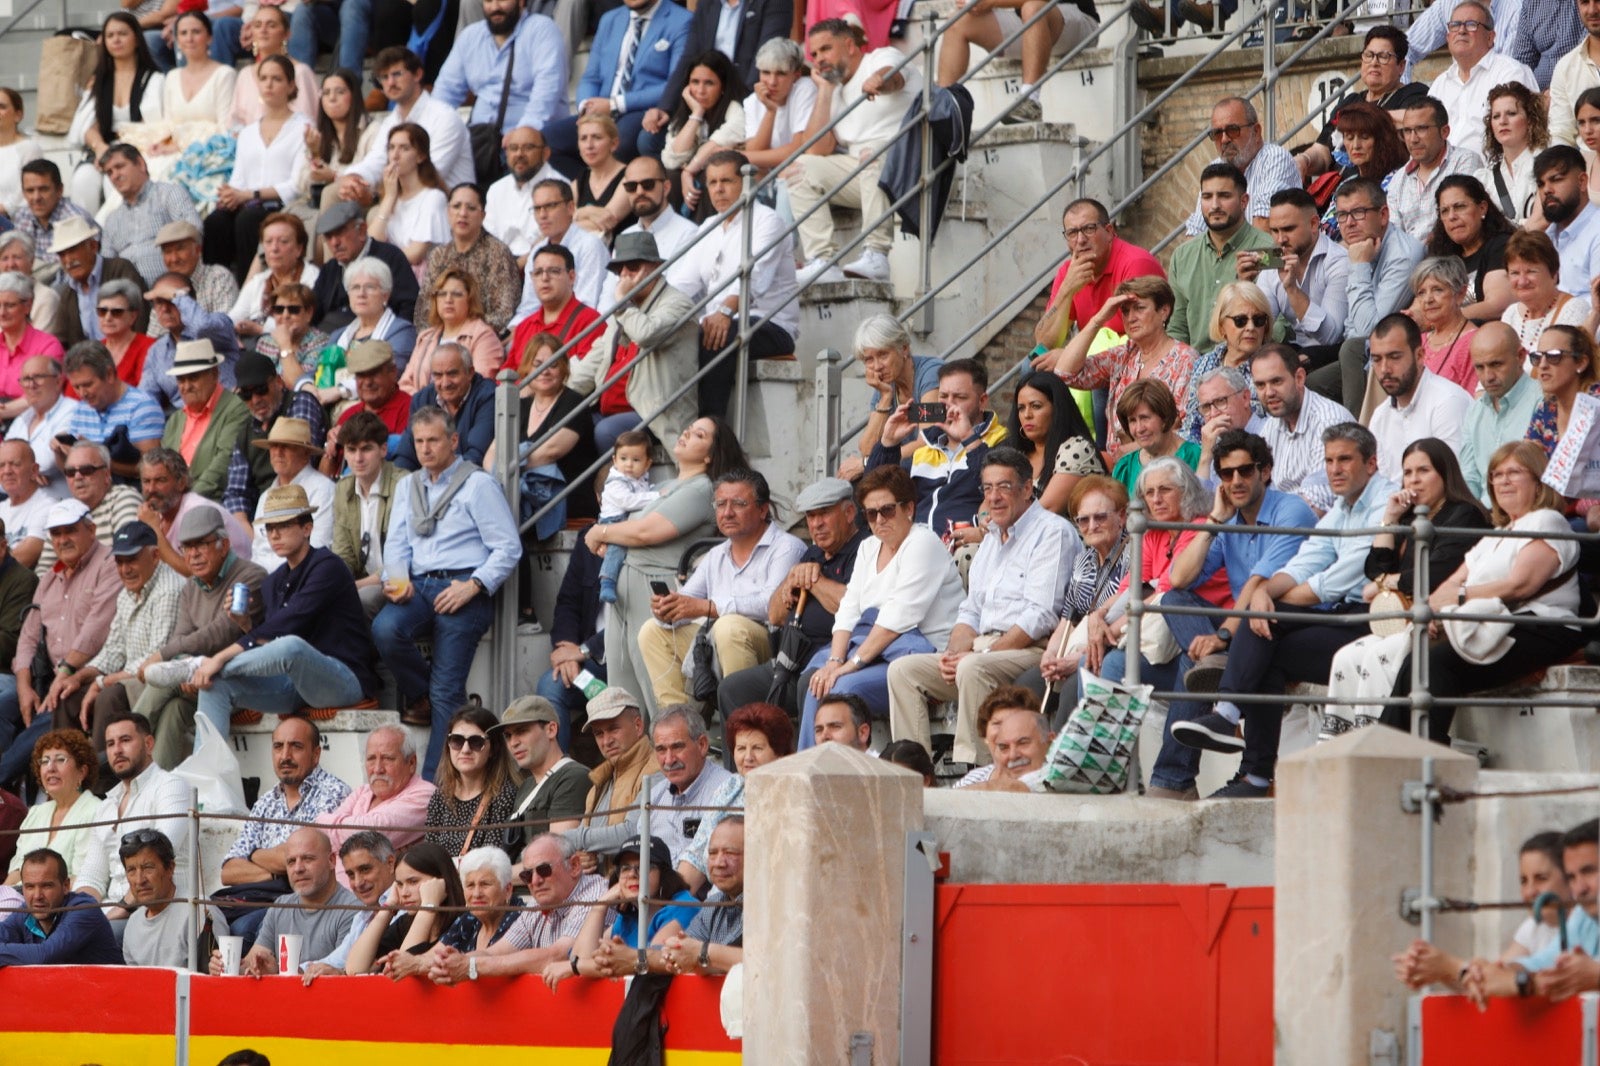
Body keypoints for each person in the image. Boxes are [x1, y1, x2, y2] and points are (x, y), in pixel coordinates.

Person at [1172, 423, 1397, 797]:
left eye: (1345, 459)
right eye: (1328, 461)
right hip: (1322, 618)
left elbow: (1337, 580)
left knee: (1259, 624)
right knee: (1258, 637)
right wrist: (1265, 593)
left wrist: (1264, 598)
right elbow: (1307, 562)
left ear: (1371, 463)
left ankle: (1228, 712)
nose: (1335, 469)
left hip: (1370, 621)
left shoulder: (1379, 501)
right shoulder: (1344, 506)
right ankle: (1254, 775)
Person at [1383, 441, 1588, 742]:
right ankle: (1393, 752)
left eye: (1514, 472)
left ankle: (1417, 758)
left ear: (1537, 479)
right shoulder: (1497, 535)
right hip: (1496, 622)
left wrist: (1462, 597)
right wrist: (1434, 610)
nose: (1503, 481)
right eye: (1496, 474)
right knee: (1418, 662)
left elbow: (1521, 585)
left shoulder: (1548, 520)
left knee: (1433, 665)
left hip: (1542, 625)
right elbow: (1450, 584)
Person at [886, 448, 1077, 766]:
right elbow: (970, 611)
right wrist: (951, 654)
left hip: (1030, 648)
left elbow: (1040, 616)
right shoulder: (991, 540)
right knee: (903, 671)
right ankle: (912, 772)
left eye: (1004, 487)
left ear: (1027, 488)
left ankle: (973, 770)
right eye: (987, 489)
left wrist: (979, 656)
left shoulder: (1052, 532)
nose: (994, 498)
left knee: (972, 668)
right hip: (982, 649)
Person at [152, 482, 379, 736]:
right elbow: (270, 642)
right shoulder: (274, 581)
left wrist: (219, 658)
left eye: (283, 526)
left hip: (342, 678)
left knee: (292, 646)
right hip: (294, 684)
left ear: (307, 528)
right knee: (215, 685)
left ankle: (202, 665)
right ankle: (209, 772)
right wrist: (246, 625)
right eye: (270, 528)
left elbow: (289, 624)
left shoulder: (328, 566)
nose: (275, 535)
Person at [373, 406, 521, 774]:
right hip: (420, 585)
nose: (424, 449)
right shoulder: (408, 484)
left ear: (453, 441)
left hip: (464, 585)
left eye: (433, 440)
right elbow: (395, 544)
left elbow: (508, 547)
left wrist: (472, 586)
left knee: (447, 691)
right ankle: (421, 693)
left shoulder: (477, 483)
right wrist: (398, 580)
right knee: (384, 629)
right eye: (419, 441)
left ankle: (434, 786)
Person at [1322, 438, 1492, 737]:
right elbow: (1374, 569)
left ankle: (1376, 746)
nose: (1413, 479)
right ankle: (1342, 748)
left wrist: (1386, 583)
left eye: (1423, 470)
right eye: (1408, 472)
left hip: (1440, 620)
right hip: (1399, 621)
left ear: (1444, 473)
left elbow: (1435, 574)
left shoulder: (1465, 513)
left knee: (1377, 656)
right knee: (1345, 657)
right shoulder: (1410, 517)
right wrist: (1389, 518)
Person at [585, 418, 746, 714]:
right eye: (688, 427)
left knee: (655, 691)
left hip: (655, 590)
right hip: (624, 592)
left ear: (711, 454)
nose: (685, 431)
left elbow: (646, 532)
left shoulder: (702, 489)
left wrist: (599, 532)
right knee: (620, 698)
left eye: (698, 434)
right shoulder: (666, 485)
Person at [800, 465, 964, 743]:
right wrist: (834, 661)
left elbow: (897, 618)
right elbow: (849, 610)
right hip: (876, 652)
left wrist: (847, 667)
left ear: (909, 508)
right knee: (814, 680)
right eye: (871, 514)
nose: (879, 520)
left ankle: (837, 774)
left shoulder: (923, 542)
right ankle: (813, 769)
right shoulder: (868, 547)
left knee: (842, 688)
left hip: (923, 655)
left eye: (887, 510)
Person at [637, 469, 806, 708]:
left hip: (774, 645)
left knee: (729, 626)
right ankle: (682, 724)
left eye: (738, 504)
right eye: (720, 504)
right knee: (651, 631)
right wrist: (667, 610)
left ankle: (743, 721)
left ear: (762, 509)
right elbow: (687, 601)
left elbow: (771, 607)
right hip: (717, 639)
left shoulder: (787, 548)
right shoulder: (716, 555)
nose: (727, 512)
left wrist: (708, 608)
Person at [716, 477, 866, 718]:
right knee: (732, 690)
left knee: (811, 683)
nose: (816, 524)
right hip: (790, 661)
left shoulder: (865, 548)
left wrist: (814, 581)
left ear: (849, 513)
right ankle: (746, 756)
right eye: (811, 516)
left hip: (835, 660)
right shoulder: (813, 553)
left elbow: (854, 607)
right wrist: (790, 579)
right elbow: (775, 615)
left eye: (824, 514)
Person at [129, 507, 266, 768]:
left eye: (201, 545)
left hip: (241, 682)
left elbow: (220, 632)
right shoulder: (191, 587)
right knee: (173, 711)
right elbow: (182, 635)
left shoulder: (250, 576)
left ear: (223, 545)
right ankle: (158, 794)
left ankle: (123, 748)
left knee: (160, 679)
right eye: (186, 548)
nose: (193, 555)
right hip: (198, 679)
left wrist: (165, 656)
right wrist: (181, 664)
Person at [791, 18, 921, 285]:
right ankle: (822, 261)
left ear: (849, 45)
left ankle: (876, 254)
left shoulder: (880, 58)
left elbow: (894, 77)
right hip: (867, 174)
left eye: (825, 49)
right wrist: (826, 90)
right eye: (814, 54)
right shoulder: (833, 90)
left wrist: (879, 81)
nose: (818, 59)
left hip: (910, 161)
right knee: (799, 168)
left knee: (871, 153)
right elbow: (816, 150)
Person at [683, 150, 801, 419]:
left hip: (771, 324)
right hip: (718, 321)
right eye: (712, 183)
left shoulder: (767, 220)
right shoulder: (707, 227)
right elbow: (684, 283)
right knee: (675, 335)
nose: (718, 189)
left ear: (747, 183)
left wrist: (725, 311)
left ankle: (712, 425)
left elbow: (755, 276)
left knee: (717, 336)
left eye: (726, 181)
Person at [217, 716, 351, 937]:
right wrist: (276, 875)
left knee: (242, 929)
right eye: (278, 747)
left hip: (308, 903)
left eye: (296, 747)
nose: (285, 756)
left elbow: (305, 861)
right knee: (208, 919)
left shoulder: (333, 793)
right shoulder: (266, 802)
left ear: (315, 754)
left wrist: (255, 854)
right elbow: (229, 871)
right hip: (264, 898)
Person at [11, 501, 121, 770]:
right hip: (52, 680)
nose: (62, 539)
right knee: (10, 703)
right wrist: (23, 686)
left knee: (53, 709)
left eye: (70, 531)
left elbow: (97, 628)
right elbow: (27, 637)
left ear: (91, 530)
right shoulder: (50, 577)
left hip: (94, 673)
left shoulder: (109, 564)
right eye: (56, 534)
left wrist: (63, 674)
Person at [1394, 829, 1575, 992]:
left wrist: (1449, 966)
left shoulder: (1585, 923)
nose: (1529, 892)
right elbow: (1496, 980)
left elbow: (1514, 982)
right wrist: (1438, 971)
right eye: (1523, 881)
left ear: (1570, 879)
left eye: (1541, 878)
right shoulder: (1533, 928)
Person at [60, 520, 184, 754]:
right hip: (128, 678)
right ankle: (66, 784)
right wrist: (81, 676)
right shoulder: (128, 590)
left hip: (155, 681)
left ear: (155, 555)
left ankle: (102, 784)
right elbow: (114, 649)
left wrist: (102, 682)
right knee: (67, 695)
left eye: (132, 560)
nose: (125, 569)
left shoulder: (170, 590)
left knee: (109, 696)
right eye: (119, 561)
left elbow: (155, 660)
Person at [569, 231, 699, 452]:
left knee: (605, 431)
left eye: (634, 268)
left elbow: (646, 334)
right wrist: (558, 397)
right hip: (609, 409)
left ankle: (611, 486)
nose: (626, 277)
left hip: (656, 414)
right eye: (621, 271)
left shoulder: (677, 303)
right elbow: (594, 360)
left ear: (656, 268)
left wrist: (621, 303)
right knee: (564, 424)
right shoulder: (624, 310)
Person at [564, 705, 734, 874]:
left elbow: (723, 873)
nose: (669, 760)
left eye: (677, 747)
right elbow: (636, 860)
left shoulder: (727, 789)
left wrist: (566, 840)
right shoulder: (655, 793)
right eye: (660, 749)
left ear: (703, 745)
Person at [1307, 178, 1426, 412]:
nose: (1349, 223)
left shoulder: (1403, 255)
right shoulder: (1359, 247)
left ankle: (1356, 439)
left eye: (1358, 213)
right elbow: (1348, 325)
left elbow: (1365, 331)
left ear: (1383, 215)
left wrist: (1359, 264)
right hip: (1356, 350)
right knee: (1310, 384)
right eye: (1342, 215)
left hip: (1386, 352)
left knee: (1351, 350)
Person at [425, 832, 609, 982]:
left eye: (544, 870)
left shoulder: (594, 894)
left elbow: (558, 955)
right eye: (527, 875)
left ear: (575, 866)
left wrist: (470, 966)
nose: (535, 881)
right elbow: (494, 952)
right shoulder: (537, 905)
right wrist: (455, 963)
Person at [543, 0, 694, 176]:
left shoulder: (683, 20)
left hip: (643, 110)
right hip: (602, 110)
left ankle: (614, 195)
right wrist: (586, 106)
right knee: (546, 142)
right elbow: (591, 77)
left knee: (620, 140)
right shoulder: (610, 19)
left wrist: (615, 104)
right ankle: (589, 189)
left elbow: (675, 83)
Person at [867, 358, 1010, 541]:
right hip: (915, 546)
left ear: (982, 401)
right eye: (943, 397)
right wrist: (888, 443)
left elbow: (997, 488)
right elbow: (873, 491)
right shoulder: (926, 445)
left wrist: (968, 439)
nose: (949, 405)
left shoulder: (1000, 441)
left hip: (963, 548)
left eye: (960, 397)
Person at [1040, 276, 1199, 431]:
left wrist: (1130, 450)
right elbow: (1065, 373)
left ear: (1164, 311)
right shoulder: (1124, 354)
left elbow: (1179, 425)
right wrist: (1098, 320)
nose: (1131, 318)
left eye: (1139, 308)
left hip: (1161, 456)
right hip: (1117, 456)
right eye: (1125, 311)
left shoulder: (1185, 358)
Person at [1027, 476, 1131, 707]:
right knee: (1028, 684)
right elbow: (1067, 619)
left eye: (1100, 517)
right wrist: (1051, 655)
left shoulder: (1134, 554)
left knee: (1072, 689)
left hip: (1112, 648)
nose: (1091, 526)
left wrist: (1078, 658)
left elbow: (1129, 617)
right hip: (1078, 650)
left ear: (1122, 516)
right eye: (1083, 520)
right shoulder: (1082, 561)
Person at [74, 710, 193, 912]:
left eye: (125, 740)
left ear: (148, 744)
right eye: (110, 744)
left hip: (158, 909)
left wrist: (114, 914)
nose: (117, 750)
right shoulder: (107, 805)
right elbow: (92, 876)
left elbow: (157, 858)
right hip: (111, 912)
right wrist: (77, 913)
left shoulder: (170, 786)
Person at [206, 55, 310, 283]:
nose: (269, 85)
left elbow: (296, 185)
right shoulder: (248, 132)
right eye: (263, 79)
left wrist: (250, 194)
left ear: (291, 85)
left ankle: (248, 288)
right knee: (216, 221)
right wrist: (229, 194)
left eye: (277, 79)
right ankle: (215, 289)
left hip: (282, 204)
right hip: (247, 201)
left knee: (248, 219)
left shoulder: (303, 127)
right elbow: (239, 178)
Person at [207, 827, 361, 975]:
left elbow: (339, 975)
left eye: (308, 859)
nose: (298, 868)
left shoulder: (353, 911)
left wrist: (277, 972)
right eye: (291, 862)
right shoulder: (281, 907)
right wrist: (224, 967)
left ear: (332, 860)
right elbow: (252, 963)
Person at [338, 47, 475, 206]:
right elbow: (376, 160)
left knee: (375, 213)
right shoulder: (391, 121)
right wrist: (354, 178)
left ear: (417, 74)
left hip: (446, 205)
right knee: (336, 192)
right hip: (401, 198)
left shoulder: (444, 117)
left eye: (397, 74)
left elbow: (427, 176)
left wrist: (374, 196)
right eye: (384, 77)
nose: (390, 82)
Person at [678, 701, 789, 891]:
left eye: (758, 748)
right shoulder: (731, 786)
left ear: (779, 753)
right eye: (741, 748)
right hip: (716, 900)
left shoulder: (790, 794)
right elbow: (696, 855)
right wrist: (674, 904)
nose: (748, 757)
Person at [1034, 197, 1166, 354]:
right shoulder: (1069, 272)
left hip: (1133, 363)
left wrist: (1070, 358)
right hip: (1091, 362)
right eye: (1072, 233)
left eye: (1089, 229)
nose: (1081, 240)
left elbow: (1142, 342)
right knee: (1031, 365)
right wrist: (1066, 290)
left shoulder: (1135, 263)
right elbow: (1044, 344)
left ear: (1109, 232)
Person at [560, 836, 697, 984]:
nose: (632, 874)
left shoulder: (684, 906)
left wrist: (575, 966)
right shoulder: (629, 916)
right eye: (625, 868)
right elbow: (581, 959)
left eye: (644, 866)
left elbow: (655, 963)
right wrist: (600, 907)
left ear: (663, 873)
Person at [431, 0, 569, 146]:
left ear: (521, 2)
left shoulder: (542, 29)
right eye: (489, 1)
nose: (495, 7)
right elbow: (445, 92)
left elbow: (547, 90)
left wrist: (525, 130)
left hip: (535, 140)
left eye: (502, 0)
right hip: (481, 143)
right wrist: (431, 128)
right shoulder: (470, 36)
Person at [68, 12, 165, 210]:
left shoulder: (154, 79)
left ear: (136, 39)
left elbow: (155, 127)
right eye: (110, 36)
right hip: (104, 151)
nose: (116, 40)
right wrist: (101, 149)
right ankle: (88, 239)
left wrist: (119, 156)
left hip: (140, 152)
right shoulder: (99, 81)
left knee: (115, 180)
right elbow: (88, 127)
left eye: (122, 34)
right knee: (83, 180)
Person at [501, 332, 601, 524]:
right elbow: (493, 450)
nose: (545, 370)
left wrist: (507, 473)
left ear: (564, 369)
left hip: (566, 503)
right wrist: (497, 477)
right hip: (522, 499)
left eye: (553, 364)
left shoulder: (574, 402)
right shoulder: (520, 405)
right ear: (527, 369)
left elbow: (550, 451)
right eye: (538, 364)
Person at [1238, 188, 1349, 356]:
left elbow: (1330, 337)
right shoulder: (1273, 264)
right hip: (1295, 354)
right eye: (1274, 231)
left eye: (1288, 229)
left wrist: (1292, 289)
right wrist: (1245, 287)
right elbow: (1257, 328)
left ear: (1313, 224)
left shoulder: (1339, 262)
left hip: (1334, 356)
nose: (1280, 239)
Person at [220, 352, 327, 527]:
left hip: (303, 505)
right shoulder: (246, 431)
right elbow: (235, 493)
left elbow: (295, 464)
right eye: (246, 395)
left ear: (278, 382)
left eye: (261, 390)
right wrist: (249, 536)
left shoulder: (300, 402)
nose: (255, 400)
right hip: (261, 518)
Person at [1367, 312, 1474, 480]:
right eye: (1377, 360)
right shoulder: (1380, 417)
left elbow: (1451, 480)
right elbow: (1381, 486)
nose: (1384, 369)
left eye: (1394, 357)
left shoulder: (1448, 401)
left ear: (1419, 356)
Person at [317, 725, 438, 865]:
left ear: (411, 763)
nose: (377, 769)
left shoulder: (425, 795)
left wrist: (325, 822)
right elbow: (320, 837)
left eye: (388, 758)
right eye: (371, 759)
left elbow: (370, 835)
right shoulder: (363, 791)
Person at [343, 840, 465, 978]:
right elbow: (355, 969)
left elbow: (405, 968)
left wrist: (429, 906)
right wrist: (388, 908)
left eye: (413, 882)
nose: (404, 892)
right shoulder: (404, 923)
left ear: (441, 881)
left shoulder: (462, 921)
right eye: (399, 884)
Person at [1428, 2, 1539, 152]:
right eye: (1455, 25)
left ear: (1490, 37)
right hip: (1443, 171)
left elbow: (1527, 138)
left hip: (1492, 171)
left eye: (1471, 24)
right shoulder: (1440, 84)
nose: (1461, 30)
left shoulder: (1510, 73)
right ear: (1448, 37)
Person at [492, 695, 591, 860]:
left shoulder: (573, 776)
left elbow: (556, 858)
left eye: (522, 731)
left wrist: (497, 875)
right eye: (508, 736)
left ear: (551, 730)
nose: (513, 743)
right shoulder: (526, 785)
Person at [415, 187, 521, 340]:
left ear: (482, 215)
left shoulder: (498, 252)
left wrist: (461, 331)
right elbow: (423, 311)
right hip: (439, 338)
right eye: (456, 206)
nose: (463, 213)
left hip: (481, 338)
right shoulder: (438, 255)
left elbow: (503, 313)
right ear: (448, 212)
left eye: (471, 208)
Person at [1182, 99, 1299, 238]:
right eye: (1217, 133)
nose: (1224, 139)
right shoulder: (1215, 168)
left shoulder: (1275, 158)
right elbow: (1196, 232)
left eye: (1232, 130)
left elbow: (1264, 225)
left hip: (1272, 257)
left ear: (1256, 131)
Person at [158, 340, 252, 503]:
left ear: (214, 374)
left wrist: (186, 501)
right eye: (181, 379)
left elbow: (224, 463)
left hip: (216, 503)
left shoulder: (235, 409)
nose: (186, 386)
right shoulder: (175, 420)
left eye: (193, 377)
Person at [98, 145, 202, 291]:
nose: (115, 175)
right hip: (131, 301)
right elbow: (107, 267)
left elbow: (194, 232)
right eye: (109, 172)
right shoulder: (112, 220)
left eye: (119, 166)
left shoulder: (169, 194)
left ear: (140, 163)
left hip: (174, 289)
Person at [328, 411, 400, 618]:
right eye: (351, 450)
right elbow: (343, 554)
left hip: (398, 580)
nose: (358, 458)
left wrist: (350, 587)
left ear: (383, 449)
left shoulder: (402, 485)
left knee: (362, 599)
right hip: (361, 581)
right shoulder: (343, 488)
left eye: (366, 449)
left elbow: (400, 560)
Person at [135, 447, 252, 576]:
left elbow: (195, 574)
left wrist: (154, 531)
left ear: (181, 483)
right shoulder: (155, 514)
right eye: (146, 481)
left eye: (160, 480)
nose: (151, 489)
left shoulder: (197, 510)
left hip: (234, 584)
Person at [1386, 97, 1488, 244]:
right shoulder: (1398, 180)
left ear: (1445, 131)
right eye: (1407, 131)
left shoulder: (1465, 161)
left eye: (1421, 129)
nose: (1413, 139)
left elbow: (1461, 222)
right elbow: (1394, 237)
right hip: (1409, 261)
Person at [301, 830, 402, 977]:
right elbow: (336, 960)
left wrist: (340, 973)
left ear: (390, 863)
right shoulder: (363, 916)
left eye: (365, 869)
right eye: (351, 875)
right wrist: (295, 970)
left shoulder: (407, 901)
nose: (358, 883)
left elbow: (380, 966)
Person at [510, 182, 613, 324]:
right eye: (537, 208)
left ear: (570, 208)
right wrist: (514, 331)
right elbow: (529, 307)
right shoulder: (536, 251)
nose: (542, 215)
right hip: (540, 329)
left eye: (550, 206)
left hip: (577, 332)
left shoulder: (590, 246)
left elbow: (586, 307)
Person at [424, 705, 521, 855]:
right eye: (457, 740)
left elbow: (490, 858)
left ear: (493, 749)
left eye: (476, 742)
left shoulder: (505, 795)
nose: (465, 749)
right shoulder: (441, 796)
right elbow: (429, 854)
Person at [1461, 321, 1542, 500]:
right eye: (1480, 367)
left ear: (1521, 356)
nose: (1488, 377)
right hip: (1482, 519)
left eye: (1496, 364)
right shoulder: (1474, 412)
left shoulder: (1543, 402)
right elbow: (1469, 479)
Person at [2, 731, 97, 883]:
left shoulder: (95, 811)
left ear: (82, 771)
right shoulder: (36, 813)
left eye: (60, 760)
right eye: (45, 761)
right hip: (20, 901)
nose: (50, 768)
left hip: (67, 901)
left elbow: (81, 877)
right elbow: (16, 872)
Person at [0, 848, 122, 965]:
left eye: (47, 886)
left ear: (66, 886)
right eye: (30, 887)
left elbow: (44, 956)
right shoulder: (25, 911)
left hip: (109, 986)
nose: (37, 896)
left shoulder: (84, 909)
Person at [654, 816, 743, 976]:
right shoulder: (713, 904)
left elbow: (767, 962)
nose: (718, 863)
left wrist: (702, 952)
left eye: (730, 853)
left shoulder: (772, 902)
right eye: (712, 853)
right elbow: (683, 952)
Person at [661, 53, 747, 219]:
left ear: (722, 86)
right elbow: (672, 160)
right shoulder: (686, 114)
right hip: (691, 179)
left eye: (709, 83)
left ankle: (701, 233)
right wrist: (697, 113)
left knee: (709, 173)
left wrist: (688, 171)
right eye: (695, 82)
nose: (700, 91)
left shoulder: (735, 109)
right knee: (670, 177)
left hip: (724, 179)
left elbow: (717, 144)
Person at [1006, 372, 1104, 515]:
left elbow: (1045, 511)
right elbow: (988, 501)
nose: (1027, 415)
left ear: (1057, 409)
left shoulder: (1077, 448)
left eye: (1036, 406)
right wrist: (984, 520)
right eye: (1021, 408)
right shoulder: (1014, 452)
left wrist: (984, 531)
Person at [244, 417, 334, 572]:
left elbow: (319, 549)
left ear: (305, 453)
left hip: (304, 582)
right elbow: (258, 552)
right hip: (266, 583)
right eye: (273, 446)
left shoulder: (323, 489)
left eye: (286, 446)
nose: (278, 453)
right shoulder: (266, 496)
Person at [312, 203, 420, 330]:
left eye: (340, 233)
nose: (334, 243)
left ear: (362, 230)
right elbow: (313, 311)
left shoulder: (391, 257)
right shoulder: (330, 269)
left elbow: (408, 307)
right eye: (329, 237)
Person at [395, 342, 497, 472]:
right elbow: (406, 456)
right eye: (438, 375)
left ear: (470, 372)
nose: (445, 383)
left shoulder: (488, 396)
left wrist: (439, 483)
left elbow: (476, 456)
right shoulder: (422, 399)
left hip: (470, 483)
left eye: (452, 374)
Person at [1427, 175, 1515, 323]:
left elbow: (1498, 305)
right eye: (1444, 211)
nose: (1452, 217)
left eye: (1460, 207)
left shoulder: (1502, 245)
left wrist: (1440, 318)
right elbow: (1422, 300)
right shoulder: (1441, 253)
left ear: (1482, 208)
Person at [51, 218, 150, 348]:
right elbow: (60, 342)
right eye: (62, 255)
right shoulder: (68, 293)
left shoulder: (120, 269)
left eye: (73, 250)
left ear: (93, 246)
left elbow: (140, 319)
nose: (68, 260)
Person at [367, 124, 450, 278]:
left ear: (420, 156)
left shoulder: (433, 197)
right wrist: (390, 197)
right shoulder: (392, 198)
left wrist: (380, 264)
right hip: (393, 273)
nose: (395, 155)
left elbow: (416, 253)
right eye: (391, 148)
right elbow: (371, 244)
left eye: (404, 148)